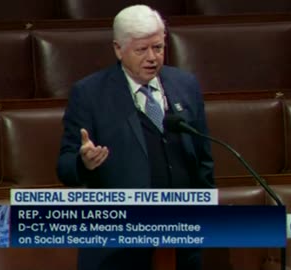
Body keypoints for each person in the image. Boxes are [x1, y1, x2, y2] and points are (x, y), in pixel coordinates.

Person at [57, 4, 214, 270]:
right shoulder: (90, 94)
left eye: (159, 47)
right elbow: (64, 167)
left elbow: (203, 159)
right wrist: (84, 163)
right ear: (118, 49)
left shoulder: (185, 85)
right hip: (121, 243)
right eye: (142, 50)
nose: (152, 57)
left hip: (183, 236)